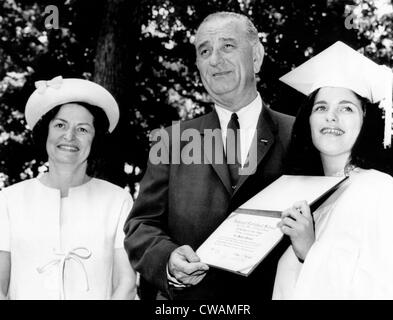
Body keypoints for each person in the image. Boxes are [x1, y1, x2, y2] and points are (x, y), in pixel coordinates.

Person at [124, 11, 294, 300]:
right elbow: (141, 226)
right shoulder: (171, 140)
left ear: (256, 57)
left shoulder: (298, 134)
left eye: (227, 46)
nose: (215, 59)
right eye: (205, 51)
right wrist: (168, 259)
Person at [272, 41, 393, 299]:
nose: (331, 116)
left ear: (365, 122)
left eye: (346, 108)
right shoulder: (309, 200)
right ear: (308, 120)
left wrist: (310, 252)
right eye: (321, 107)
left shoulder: (384, 193)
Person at [0, 76, 137, 300]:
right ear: (46, 132)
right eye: (60, 125)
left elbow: (126, 283)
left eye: (82, 129)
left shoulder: (118, 200)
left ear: (95, 140)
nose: (70, 136)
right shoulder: (8, 200)